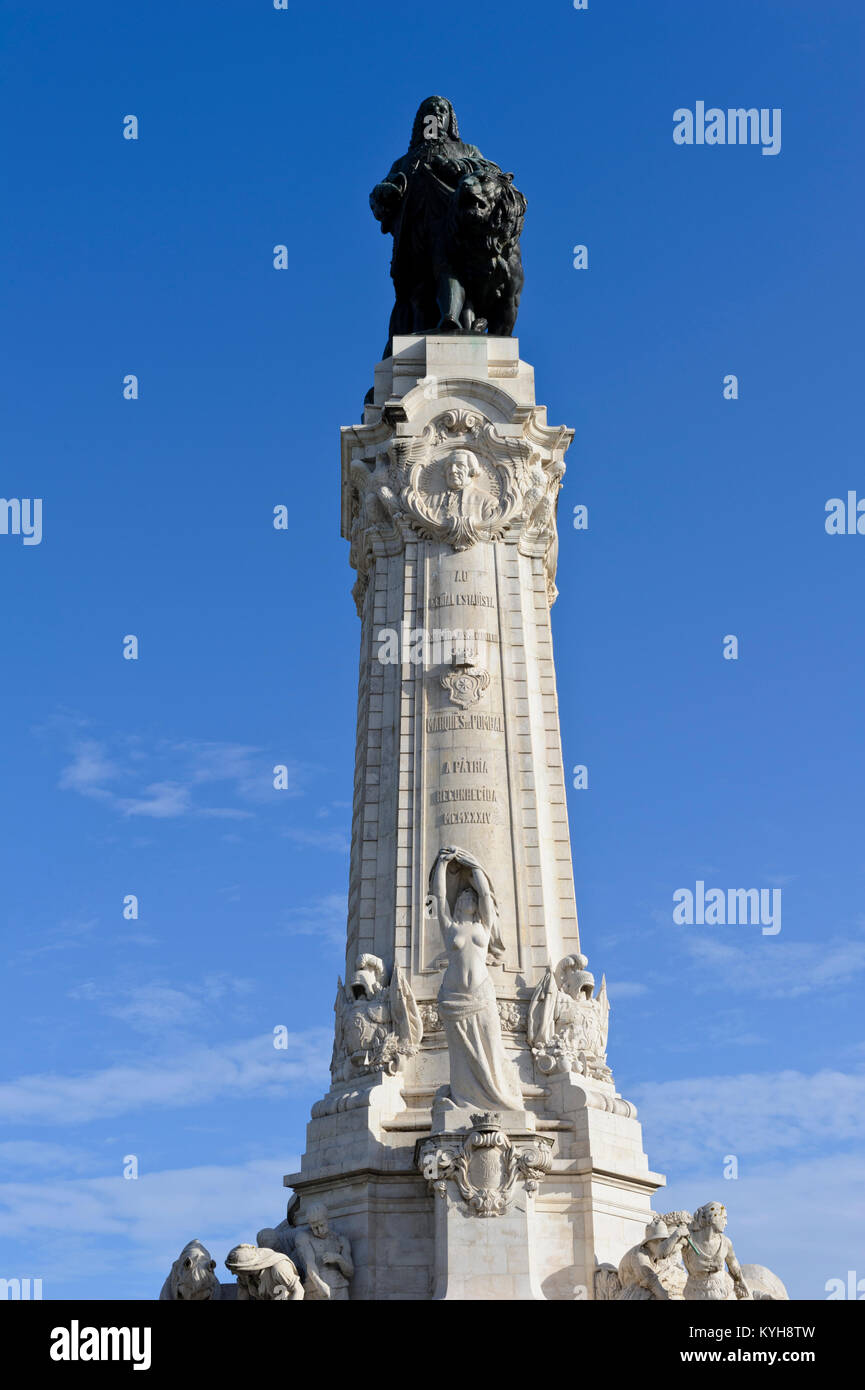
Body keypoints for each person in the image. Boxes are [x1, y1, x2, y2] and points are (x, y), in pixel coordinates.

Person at [427, 846, 523, 1112]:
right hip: (453, 999)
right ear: (458, 904)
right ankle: (463, 1098)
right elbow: (438, 897)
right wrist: (442, 866)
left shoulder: (484, 926)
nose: (467, 897)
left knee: (491, 1049)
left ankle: (497, 1095)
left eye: (470, 896)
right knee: (460, 1058)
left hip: (481, 996)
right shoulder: (450, 928)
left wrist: (474, 866)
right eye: (464, 895)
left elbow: (485, 894)